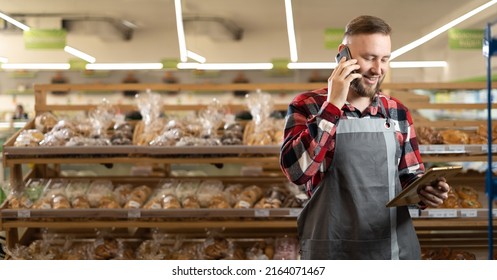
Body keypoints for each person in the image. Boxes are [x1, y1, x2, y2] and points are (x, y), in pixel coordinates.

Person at [279, 15, 450, 260]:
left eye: (385, 59)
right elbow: (296, 172)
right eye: (369, 58)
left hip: (392, 251)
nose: (378, 69)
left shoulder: (397, 111)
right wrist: (333, 105)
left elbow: (409, 178)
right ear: (343, 55)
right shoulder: (308, 106)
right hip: (329, 250)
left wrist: (425, 192)